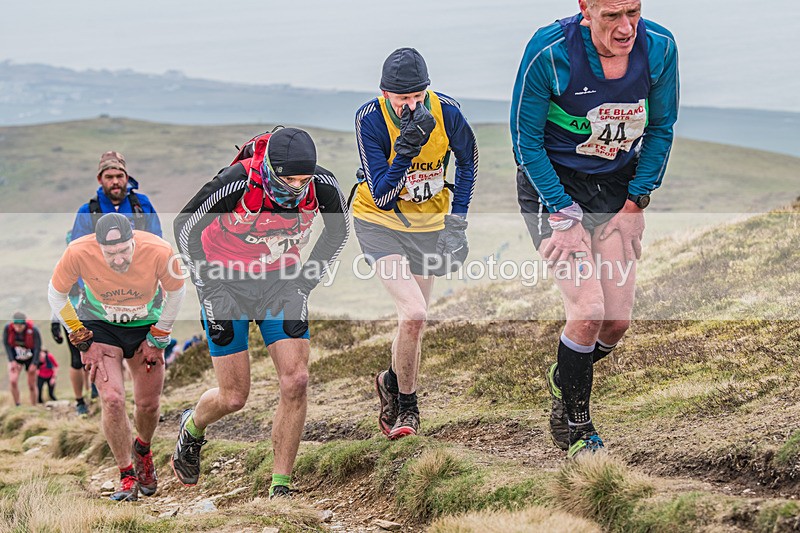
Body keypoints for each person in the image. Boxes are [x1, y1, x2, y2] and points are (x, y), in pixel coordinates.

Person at [510, 0, 678, 458]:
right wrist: (562, 216)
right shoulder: (550, 52)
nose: (626, 27)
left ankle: (564, 376)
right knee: (587, 312)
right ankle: (578, 431)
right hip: (554, 186)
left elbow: (661, 128)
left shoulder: (659, 47)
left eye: (634, 12)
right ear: (586, 9)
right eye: (612, 16)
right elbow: (525, 142)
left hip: (616, 189)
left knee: (616, 321)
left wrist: (636, 201)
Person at [172, 127, 349, 498]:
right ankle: (192, 426)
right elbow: (185, 225)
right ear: (270, 168)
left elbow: (338, 230)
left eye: (304, 179)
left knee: (296, 380)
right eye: (289, 179)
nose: (298, 187)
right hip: (224, 284)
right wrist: (207, 282)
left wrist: (305, 282)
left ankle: (280, 486)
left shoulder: (323, 185)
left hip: (281, 282)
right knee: (234, 396)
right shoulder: (237, 181)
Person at [351, 47, 478, 440]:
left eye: (417, 97)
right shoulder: (370, 119)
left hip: (429, 223)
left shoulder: (448, 111)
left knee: (414, 324)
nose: (410, 105)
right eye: (402, 99)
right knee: (415, 312)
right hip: (379, 222)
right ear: (384, 94)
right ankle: (407, 407)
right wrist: (406, 148)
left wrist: (457, 222)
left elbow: (468, 161)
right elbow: (384, 194)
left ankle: (391, 380)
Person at [48, 213, 186, 502]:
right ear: (99, 248)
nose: (119, 259)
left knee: (148, 404)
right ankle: (126, 475)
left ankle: (143, 451)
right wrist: (82, 338)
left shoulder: (159, 250)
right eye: (111, 253)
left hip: (145, 325)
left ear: (133, 240)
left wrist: (159, 336)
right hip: (100, 326)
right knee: (112, 399)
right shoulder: (78, 252)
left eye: (124, 250)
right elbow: (56, 294)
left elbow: (177, 292)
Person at [65, 151, 163, 415]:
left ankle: (145, 407)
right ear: (100, 179)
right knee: (109, 366)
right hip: (102, 301)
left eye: (119, 176)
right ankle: (109, 404)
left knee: (147, 358)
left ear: (126, 176)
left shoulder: (142, 205)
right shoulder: (88, 211)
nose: (115, 181)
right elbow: (76, 254)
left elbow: (159, 244)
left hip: (143, 300)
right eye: (109, 177)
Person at [3, 312, 41, 406]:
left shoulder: (33, 330)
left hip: (30, 358)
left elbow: (37, 347)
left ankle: (34, 405)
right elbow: (6, 345)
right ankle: (17, 404)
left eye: (20, 326)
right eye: (16, 325)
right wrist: (12, 361)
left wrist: (35, 363)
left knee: (31, 385)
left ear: (25, 324)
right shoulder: (8, 329)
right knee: (13, 380)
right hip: (16, 358)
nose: (18, 328)